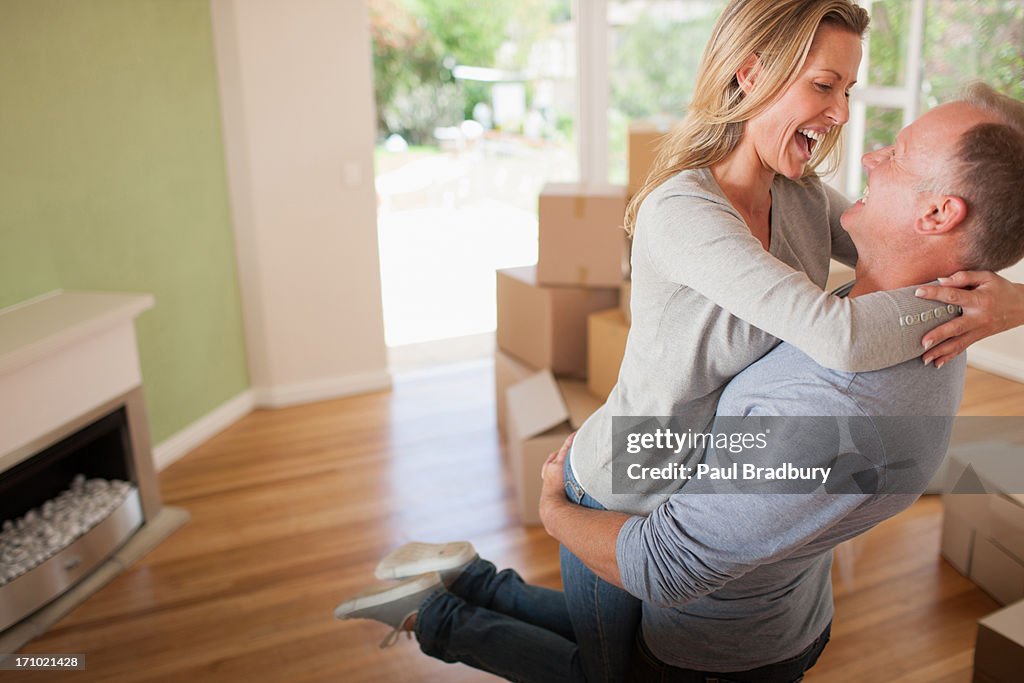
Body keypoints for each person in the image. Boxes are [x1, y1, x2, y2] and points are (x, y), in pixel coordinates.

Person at [335, 0, 1024, 677]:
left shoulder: (804, 198)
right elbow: (842, 334)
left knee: (598, 637)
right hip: (628, 479)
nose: (843, 114)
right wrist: (999, 308)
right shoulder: (685, 212)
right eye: (823, 85)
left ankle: (460, 577)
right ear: (751, 74)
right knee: (603, 669)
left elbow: (920, 243)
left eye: (847, 89)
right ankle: (432, 611)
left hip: (692, 476)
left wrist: (1000, 289)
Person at [537, 83, 1024, 680]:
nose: (865, 150)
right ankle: (462, 593)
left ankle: (443, 616)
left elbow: (666, 567)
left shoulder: (831, 407)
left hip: (713, 654)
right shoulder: (919, 311)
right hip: (769, 592)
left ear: (938, 213)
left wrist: (552, 509)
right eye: (825, 86)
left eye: (895, 153)